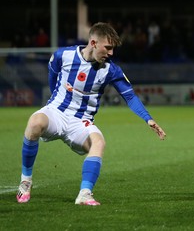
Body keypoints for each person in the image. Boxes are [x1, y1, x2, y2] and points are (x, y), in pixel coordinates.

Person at [16, 22, 166, 206]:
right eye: (108, 48)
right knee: (34, 122)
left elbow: (130, 96)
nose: (111, 53)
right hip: (56, 112)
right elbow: (53, 78)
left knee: (99, 142)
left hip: (81, 121)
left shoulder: (111, 70)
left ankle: (85, 194)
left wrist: (148, 119)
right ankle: (26, 181)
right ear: (93, 43)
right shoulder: (63, 55)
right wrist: (55, 100)